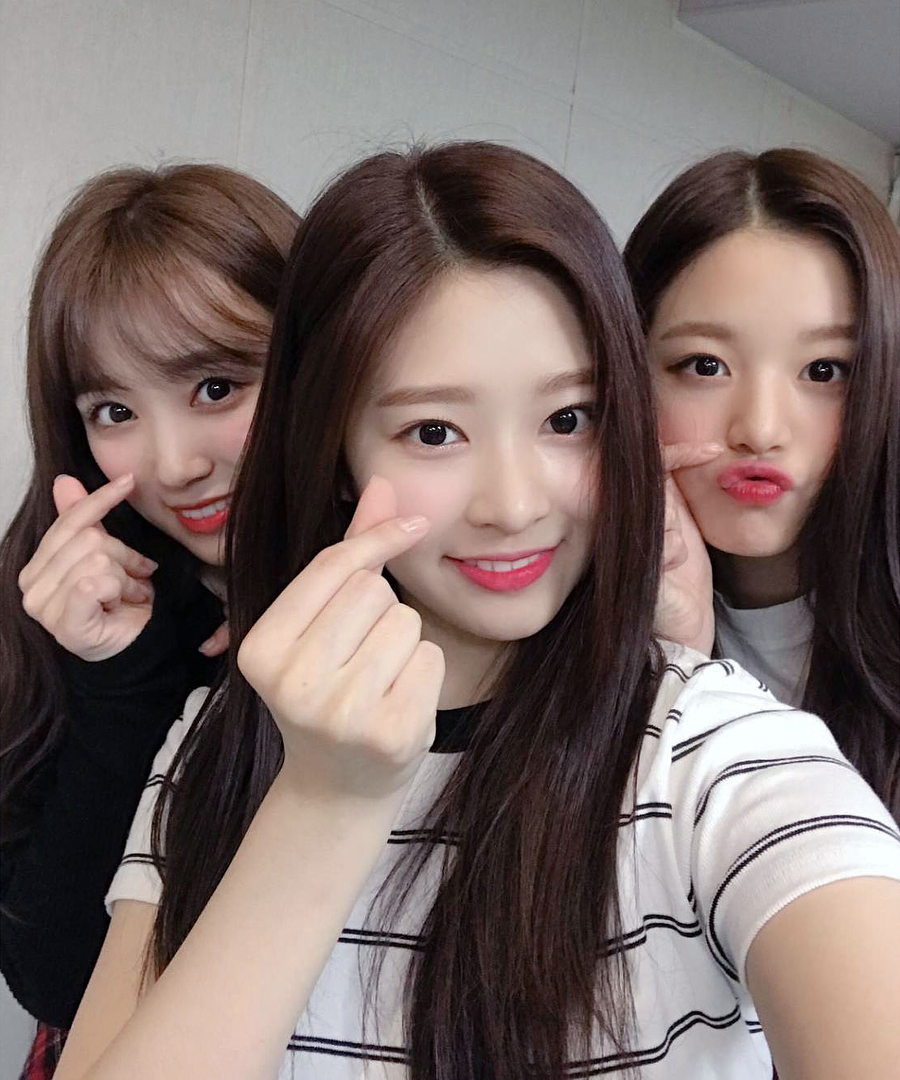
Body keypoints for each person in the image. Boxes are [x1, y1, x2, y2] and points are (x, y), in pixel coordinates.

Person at [56, 143, 900, 1080]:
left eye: (568, 420)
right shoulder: (217, 741)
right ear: (334, 453)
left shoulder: (718, 757)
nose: (513, 504)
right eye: (434, 431)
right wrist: (324, 802)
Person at [0, 163, 299, 1074]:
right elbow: (56, 982)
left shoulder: (427, 586)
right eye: (115, 409)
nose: (173, 465)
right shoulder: (65, 601)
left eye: (216, 387)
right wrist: (121, 680)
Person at [624, 148, 900, 824]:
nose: (761, 430)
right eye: (705, 365)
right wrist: (682, 663)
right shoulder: (563, 616)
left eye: (825, 371)